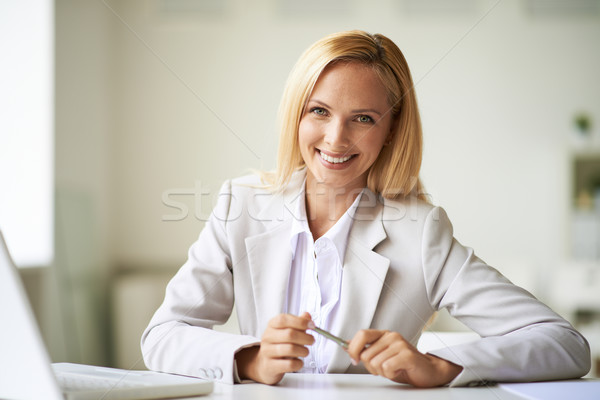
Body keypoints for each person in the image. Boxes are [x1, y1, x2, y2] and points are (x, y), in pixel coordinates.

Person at [141, 30, 590, 387]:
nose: (336, 138)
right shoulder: (240, 205)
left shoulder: (420, 231)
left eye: (363, 118)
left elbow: (566, 345)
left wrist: (441, 366)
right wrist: (251, 360)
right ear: (296, 116)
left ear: (392, 130)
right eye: (319, 111)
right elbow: (161, 337)